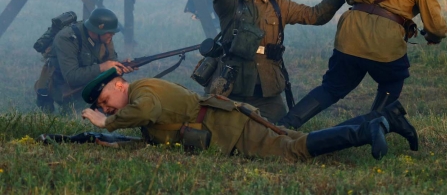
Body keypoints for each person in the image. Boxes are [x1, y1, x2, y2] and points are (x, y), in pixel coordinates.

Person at [278, 0, 447, 133]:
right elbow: (436, 27)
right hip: (385, 45)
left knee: (332, 87)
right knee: (392, 82)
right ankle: (368, 130)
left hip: (350, 35)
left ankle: (284, 125)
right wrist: (432, 37)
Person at [80, 68, 419, 161]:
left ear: (120, 85)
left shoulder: (142, 94)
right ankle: (384, 119)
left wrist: (107, 122)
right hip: (235, 121)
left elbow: (147, 112)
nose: (105, 107)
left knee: (294, 151)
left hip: (234, 129)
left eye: (105, 99)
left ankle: (366, 131)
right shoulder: (139, 96)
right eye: (101, 107)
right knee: (300, 139)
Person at [208, 0, 345, 123]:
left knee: (279, 133)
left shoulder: (279, 5)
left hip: (267, 92)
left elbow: (316, 15)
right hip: (232, 87)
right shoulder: (231, 4)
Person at [37, 8, 132, 112]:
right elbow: (71, 77)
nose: (113, 35)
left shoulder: (105, 37)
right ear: (97, 31)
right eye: (110, 32)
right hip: (62, 87)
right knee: (81, 116)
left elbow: (110, 61)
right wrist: (102, 67)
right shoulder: (67, 39)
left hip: (89, 83)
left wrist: (120, 66)